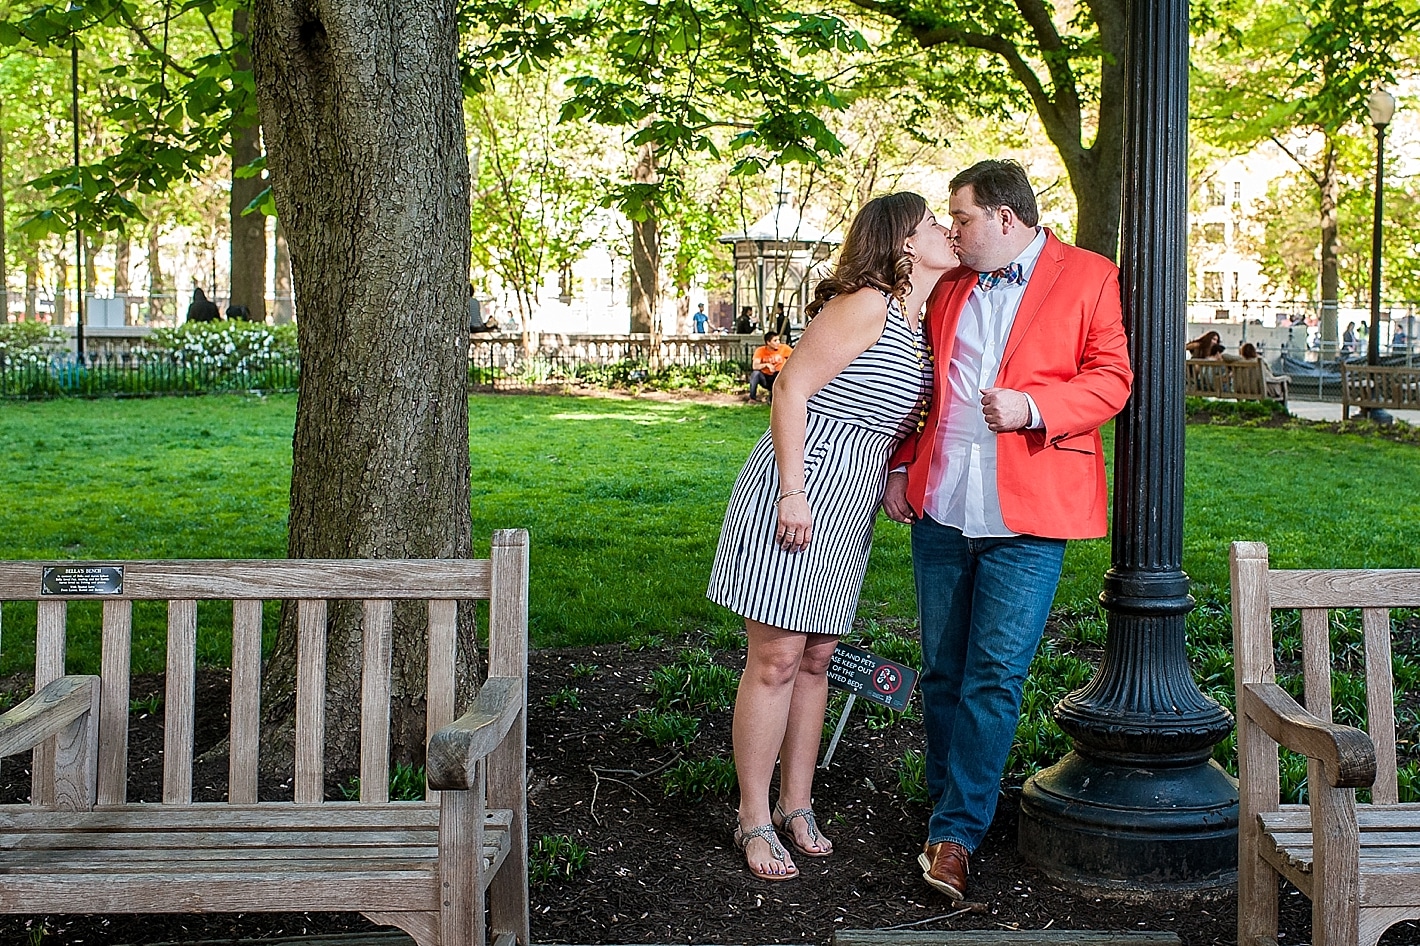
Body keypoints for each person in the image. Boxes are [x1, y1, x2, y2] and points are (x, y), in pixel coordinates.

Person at [882, 159, 1132, 901]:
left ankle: (957, 833)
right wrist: (900, 465)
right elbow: (919, 383)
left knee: (994, 675)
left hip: (1030, 510)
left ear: (1005, 217)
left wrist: (1033, 407)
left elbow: (1112, 376)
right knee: (941, 671)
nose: (950, 230)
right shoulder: (948, 284)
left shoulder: (1088, 275)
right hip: (943, 505)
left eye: (959, 218)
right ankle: (946, 810)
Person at [708, 192, 958, 882]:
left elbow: (883, 416)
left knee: (818, 657)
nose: (947, 229)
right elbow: (789, 390)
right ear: (905, 243)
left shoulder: (918, 320)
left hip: (847, 502)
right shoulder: (868, 302)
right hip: (800, 489)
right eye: (934, 223)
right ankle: (753, 817)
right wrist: (793, 492)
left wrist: (886, 478)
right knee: (778, 659)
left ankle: (797, 804)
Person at [747, 332, 792, 402]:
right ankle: (752, 398)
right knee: (755, 374)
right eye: (775, 340)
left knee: (779, 374)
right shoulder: (760, 351)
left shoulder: (784, 348)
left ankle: (773, 399)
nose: (778, 342)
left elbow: (796, 358)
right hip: (765, 377)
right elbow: (755, 366)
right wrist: (766, 365)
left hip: (778, 375)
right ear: (768, 342)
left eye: (778, 340)